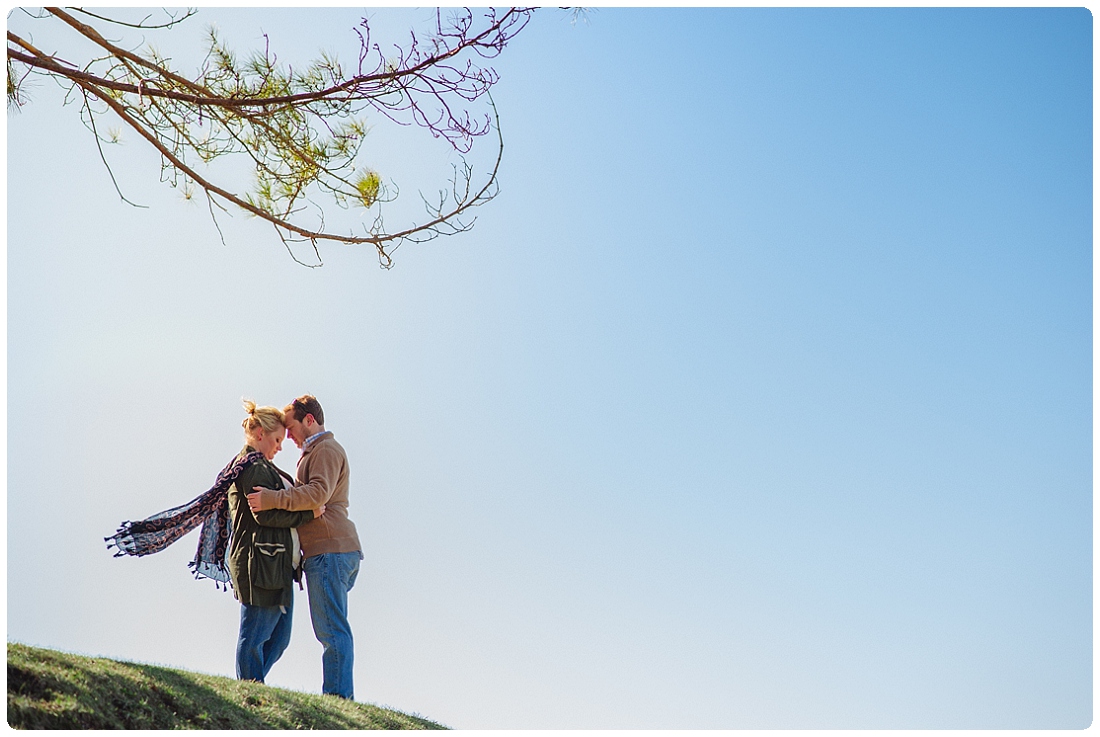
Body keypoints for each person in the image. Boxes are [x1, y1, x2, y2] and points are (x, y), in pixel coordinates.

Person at [248, 394, 363, 700]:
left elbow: (317, 495)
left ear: (308, 420)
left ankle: (339, 699)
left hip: (330, 551)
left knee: (331, 630)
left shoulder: (325, 449)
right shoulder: (316, 451)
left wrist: (271, 500)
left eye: (290, 427)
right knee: (331, 628)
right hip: (330, 551)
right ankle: (339, 696)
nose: (288, 436)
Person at [229, 400, 325, 684]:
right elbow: (265, 515)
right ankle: (250, 692)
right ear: (260, 434)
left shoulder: (264, 467)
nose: (280, 446)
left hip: (277, 564)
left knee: (279, 639)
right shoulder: (251, 466)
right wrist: (309, 513)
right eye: (277, 439)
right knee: (255, 635)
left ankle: (252, 686)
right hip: (260, 563)